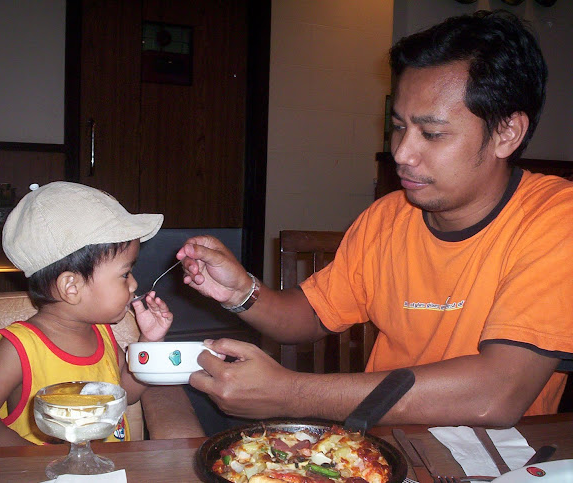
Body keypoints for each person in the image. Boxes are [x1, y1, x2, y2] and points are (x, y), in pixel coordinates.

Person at [176, 10, 573, 429]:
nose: (402, 153)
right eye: (399, 127)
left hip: (504, 457)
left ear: (507, 133)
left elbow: (496, 395)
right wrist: (241, 292)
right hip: (382, 448)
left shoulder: (555, 218)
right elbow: (310, 315)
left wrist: (290, 393)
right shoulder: (388, 217)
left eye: (432, 133)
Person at [0, 182, 203, 446]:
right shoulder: (21, 348)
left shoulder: (103, 335)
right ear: (71, 287)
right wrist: (21, 457)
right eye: (125, 274)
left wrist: (149, 342)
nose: (134, 284)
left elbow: (127, 394)